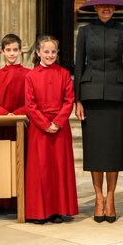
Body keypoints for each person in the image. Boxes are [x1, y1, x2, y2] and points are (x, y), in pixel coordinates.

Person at [74, 0, 123, 224]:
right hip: (90, 96)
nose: (106, 9)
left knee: (113, 149)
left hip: (117, 96)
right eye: (102, 6)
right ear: (95, 8)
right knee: (95, 149)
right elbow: (79, 65)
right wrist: (77, 100)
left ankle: (111, 198)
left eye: (110, 6)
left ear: (115, 8)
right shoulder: (84, 32)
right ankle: (98, 198)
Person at [23, 35, 78, 224]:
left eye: (53, 52)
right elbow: (29, 105)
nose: (50, 55)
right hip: (39, 129)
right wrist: (45, 124)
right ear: (38, 53)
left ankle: (57, 210)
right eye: (46, 51)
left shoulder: (63, 74)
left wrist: (58, 121)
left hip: (60, 127)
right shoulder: (30, 76)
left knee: (58, 168)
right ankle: (39, 212)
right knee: (40, 170)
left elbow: (69, 100)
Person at [0, 33, 31, 141]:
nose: (12, 53)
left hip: (23, 121)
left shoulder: (30, 74)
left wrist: (17, 114)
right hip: (2, 123)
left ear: (20, 51)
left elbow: (32, 100)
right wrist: (6, 114)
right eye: (8, 50)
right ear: (2, 51)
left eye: (15, 50)